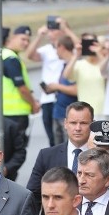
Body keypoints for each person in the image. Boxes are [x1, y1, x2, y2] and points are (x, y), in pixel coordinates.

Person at [26, 101, 94, 209]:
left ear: (92, 125)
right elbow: (32, 197)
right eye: (73, 123)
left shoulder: (100, 157)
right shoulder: (46, 156)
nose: (77, 128)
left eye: (83, 123)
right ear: (65, 123)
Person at [25, 17, 78, 146]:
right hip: (47, 98)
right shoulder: (47, 49)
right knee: (53, 138)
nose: (50, 33)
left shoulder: (70, 49)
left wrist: (66, 29)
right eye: (49, 30)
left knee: (67, 139)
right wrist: (39, 36)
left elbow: (79, 46)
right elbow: (30, 55)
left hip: (64, 96)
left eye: (54, 30)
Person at [0, 26, 40, 142]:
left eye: (28, 40)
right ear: (10, 39)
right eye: (23, 39)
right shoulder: (10, 58)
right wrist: (33, 103)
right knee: (17, 150)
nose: (26, 43)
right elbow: (22, 88)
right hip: (16, 113)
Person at [44, 35, 79, 145]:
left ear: (62, 47)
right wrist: (54, 89)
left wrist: (57, 87)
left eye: (56, 48)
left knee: (68, 149)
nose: (55, 51)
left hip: (67, 115)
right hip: (58, 112)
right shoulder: (64, 65)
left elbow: (76, 90)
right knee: (57, 150)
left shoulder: (75, 66)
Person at [62, 33, 106, 117]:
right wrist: (76, 55)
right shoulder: (79, 65)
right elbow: (66, 75)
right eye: (86, 43)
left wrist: (98, 52)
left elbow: (107, 70)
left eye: (92, 42)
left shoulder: (103, 64)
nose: (89, 46)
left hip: (105, 110)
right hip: (86, 112)